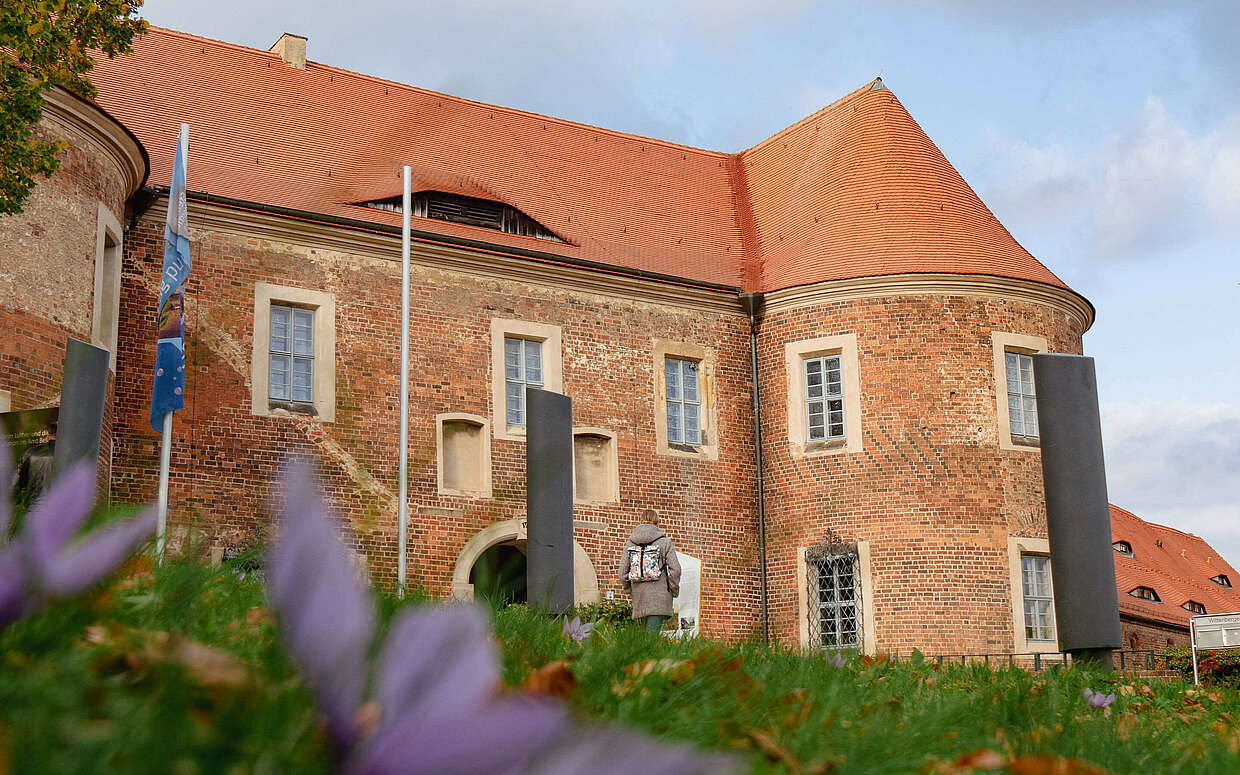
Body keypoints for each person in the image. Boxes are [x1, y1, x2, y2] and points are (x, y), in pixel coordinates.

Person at [618, 509, 682, 633]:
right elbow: (676, 570)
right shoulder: (665, 543)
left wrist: (629, 590)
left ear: (640, 521)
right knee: (650, 642)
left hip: (639, 598)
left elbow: (622, 574)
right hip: (659, 598)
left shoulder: (630, 544)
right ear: (657, 522)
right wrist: (673, 589)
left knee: (642, 642)